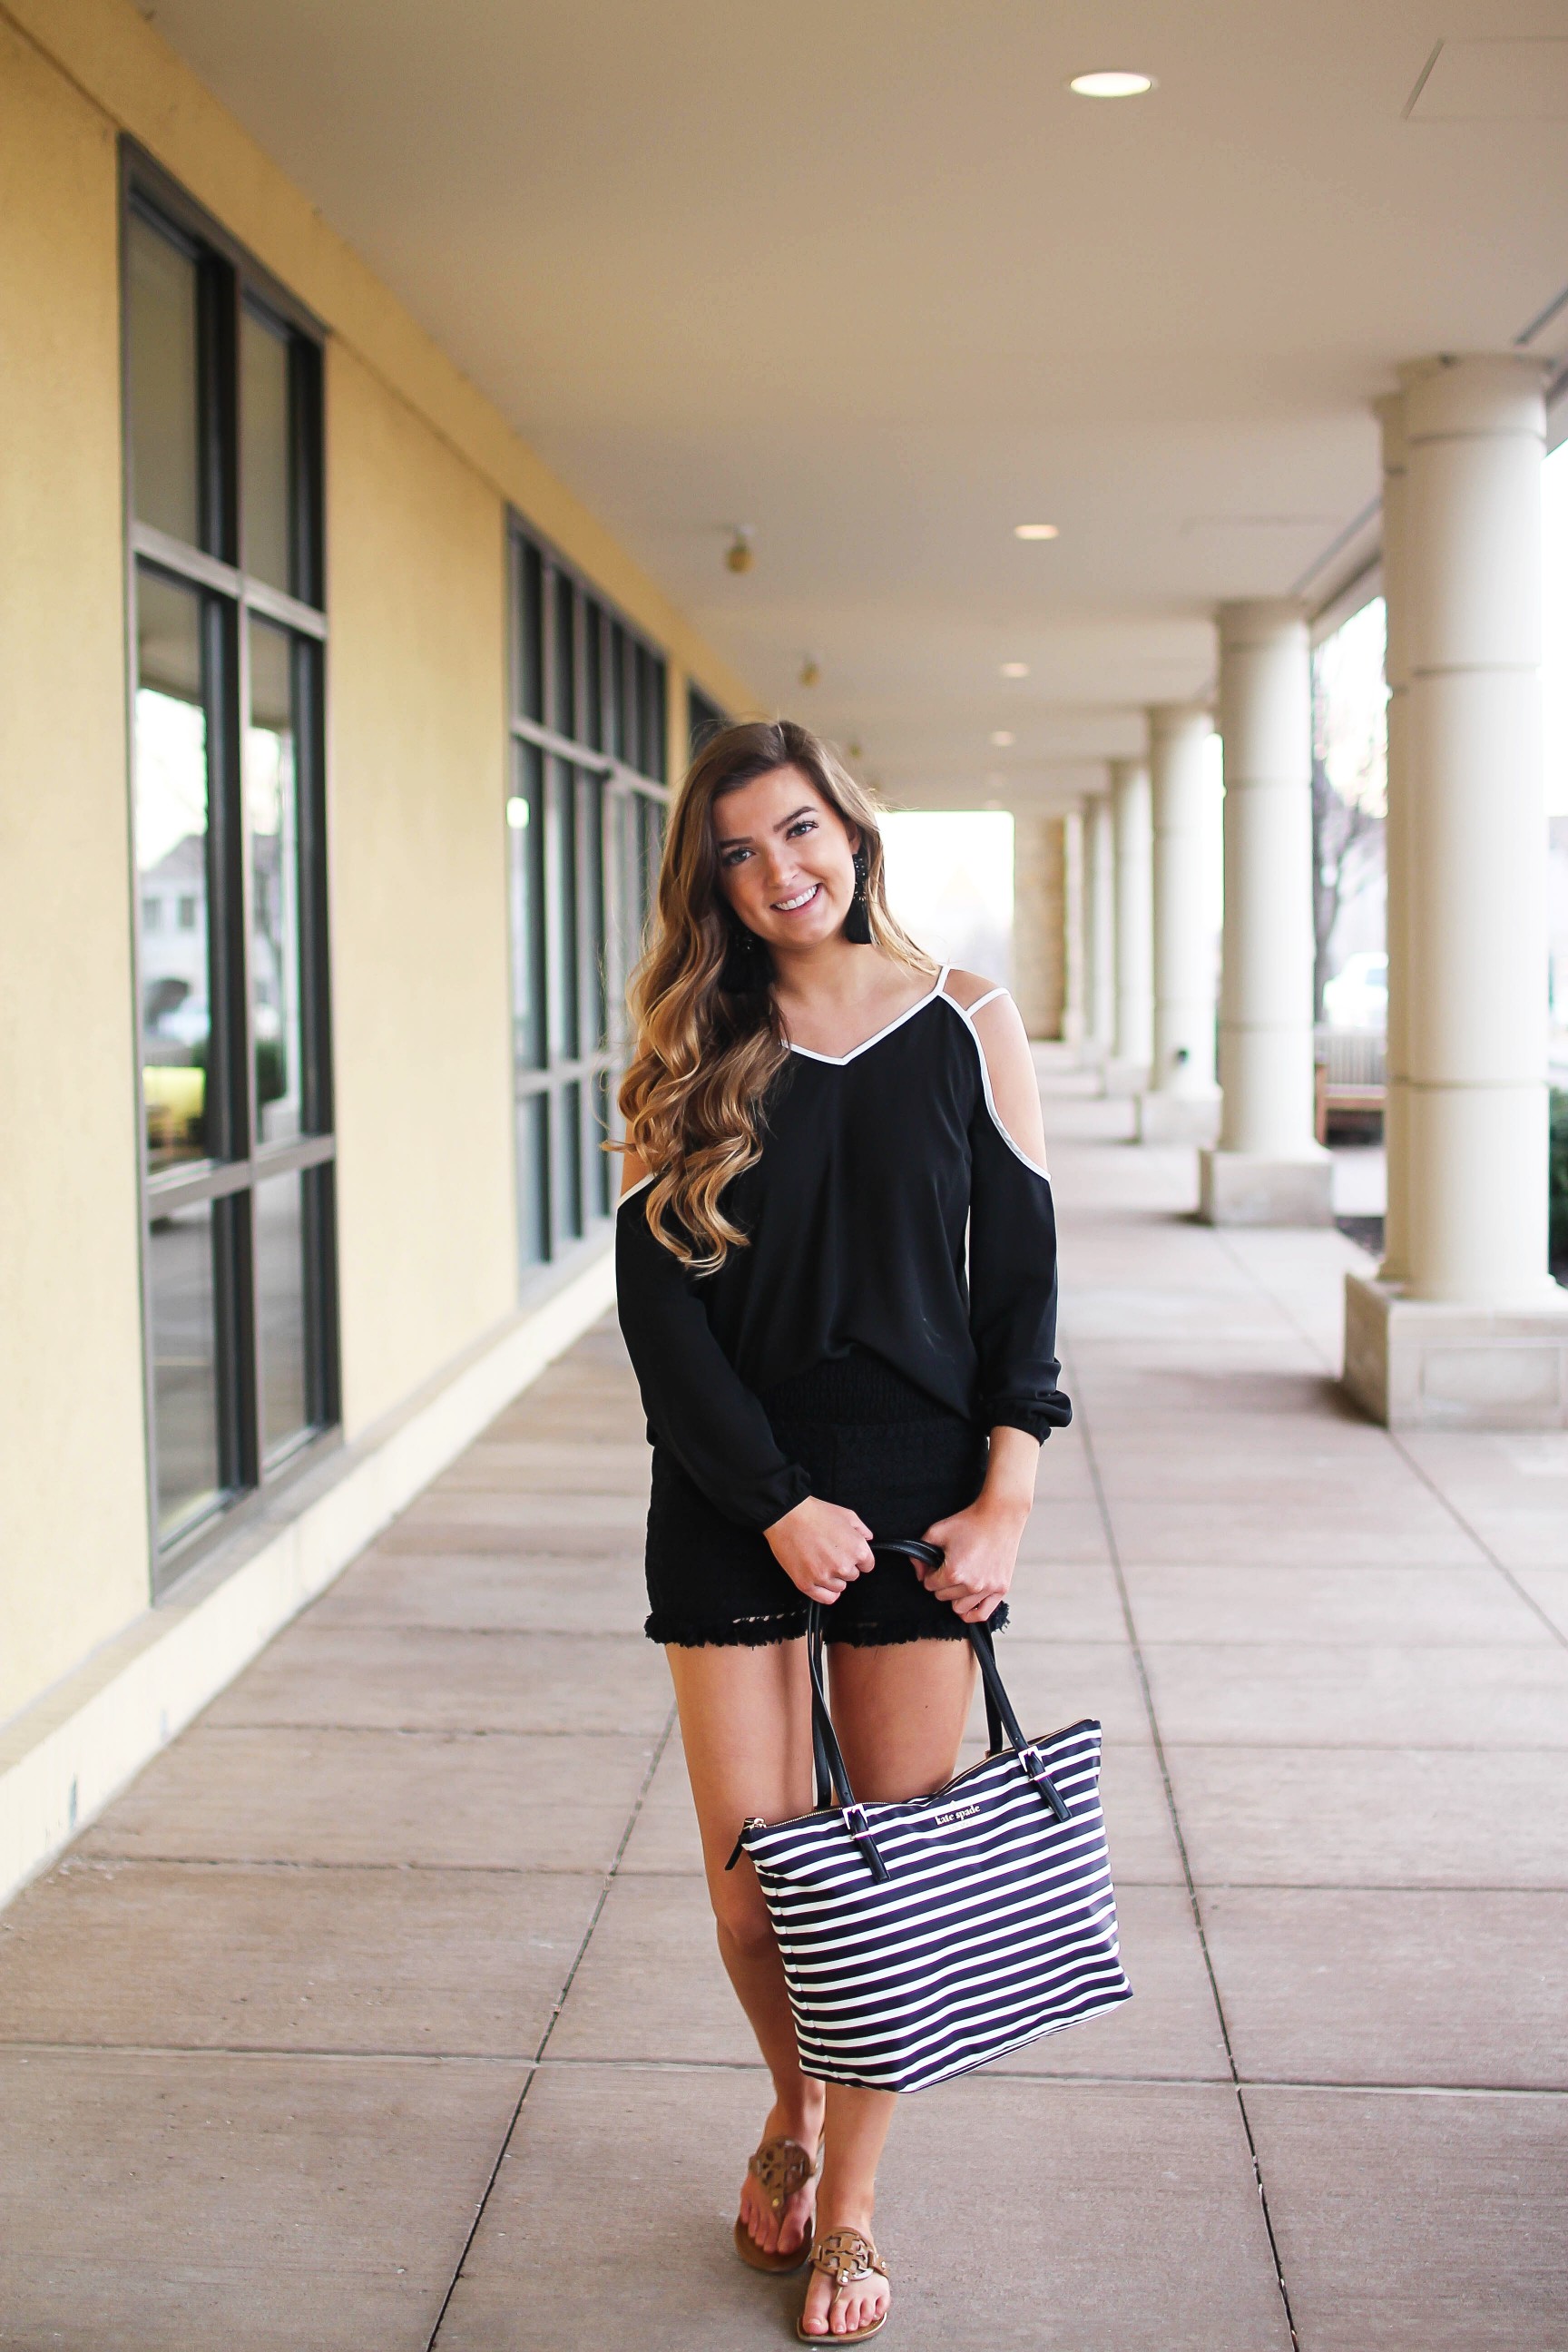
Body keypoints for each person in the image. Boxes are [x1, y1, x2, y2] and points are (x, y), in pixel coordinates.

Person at [614, 719, 1070, 2343]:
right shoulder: (696, 1043)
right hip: (733, 1491)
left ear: (854, 834)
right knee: (755, 1893)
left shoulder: (966, 1024)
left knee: (892, 1894)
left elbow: (1021, 1291)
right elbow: (658, 1315)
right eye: (738, 853)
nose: (777, 872)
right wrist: (774, 1503)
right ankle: (788, 2116)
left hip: (923, 1494)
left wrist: (1004, 1499)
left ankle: (854, 2214)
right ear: (714, 884)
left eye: (799, 832)